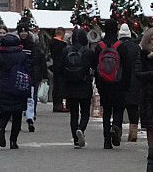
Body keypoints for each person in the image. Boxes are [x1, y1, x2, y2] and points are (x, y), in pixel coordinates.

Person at [94, 19, 136, 149]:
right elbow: (128, 67)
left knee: (106, 110)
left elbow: (94, 66)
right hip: (118, 82)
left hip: (103, 83)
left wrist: (98, 82)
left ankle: (107, 139)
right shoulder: (120, 46)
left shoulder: (99, 46)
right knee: (118, 108)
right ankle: (115, 128)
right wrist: (126, 83)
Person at [56, 28, 95, 148]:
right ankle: (81, 129)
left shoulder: (65, 51)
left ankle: (76, 140)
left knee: (73, 114)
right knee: (85, 112)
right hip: (84, 85)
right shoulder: (88, 52)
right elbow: (94, 67)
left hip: (70, 86)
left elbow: (59, 68)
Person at [0, 32, 33, 149]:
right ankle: (13, 142)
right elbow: (28, 70)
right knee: (17, 116)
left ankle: (1, 129)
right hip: (18, 86)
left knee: (4, 114)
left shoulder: (0, 56)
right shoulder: (22, 55)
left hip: (3, 86)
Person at [17, 24, 48, 132]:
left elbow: (39, 60)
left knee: (31, 96)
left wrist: (44, 75)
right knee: (20, 96)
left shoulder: (34, 45)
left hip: (32, 74)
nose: (23, 33)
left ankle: (30, 116)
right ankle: (19, 116)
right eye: (21, 31)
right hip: (19, 74)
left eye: (25, 31)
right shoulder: (16, 45)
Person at [119, 23, 143, 142]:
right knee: (133, 107)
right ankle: (133, 131)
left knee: (119, 107)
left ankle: (117, 129)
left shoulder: (117, 46)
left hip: (119, 80)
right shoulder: (136, 47)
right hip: (134, 79)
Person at [48, 27, 68, 112]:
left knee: (55, 86)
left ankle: (55, 104)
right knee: (60, 86)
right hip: (61, 67)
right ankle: (59, 105)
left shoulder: (51, 42)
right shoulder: (61, 44)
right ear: (62, 33)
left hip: (55, 66)